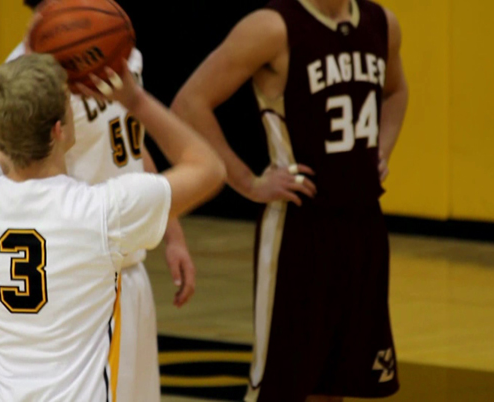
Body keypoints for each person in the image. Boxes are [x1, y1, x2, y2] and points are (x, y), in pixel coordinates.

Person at [0, 53, 224, 401]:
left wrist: (32, 48)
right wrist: (134, 100)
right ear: (59, 129)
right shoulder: (101, 214)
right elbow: (209, 168)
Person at [171, 0, 409, 401]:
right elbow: (189, 103)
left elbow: (397, 91)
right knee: (281, 389)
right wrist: (247, 182)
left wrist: (381, 149)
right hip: (300, 231)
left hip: (365, 226)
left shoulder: (382, 23)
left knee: (339, 383)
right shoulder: (272, 27)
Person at [8, 2, 199, 400]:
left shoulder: (114, 39)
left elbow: (130, 140)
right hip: (82, 273)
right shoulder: (26, 75)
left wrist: (173, 233)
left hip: (129, 268)